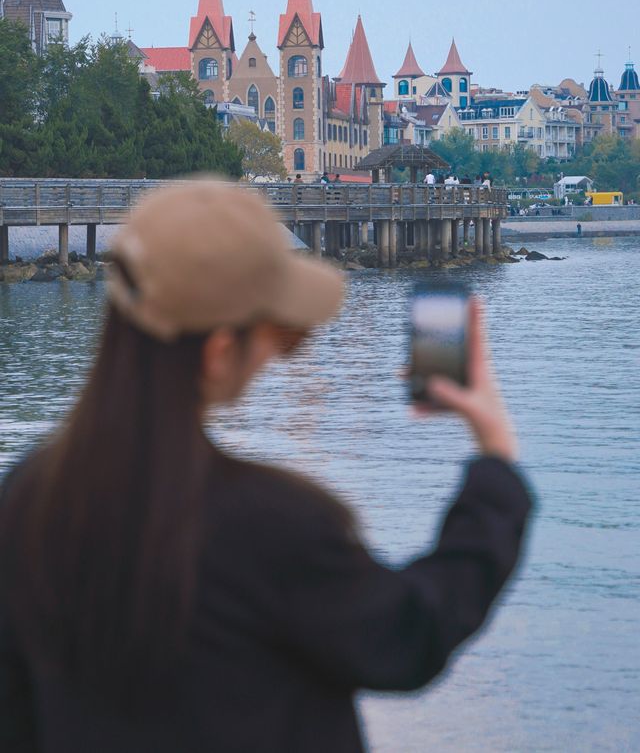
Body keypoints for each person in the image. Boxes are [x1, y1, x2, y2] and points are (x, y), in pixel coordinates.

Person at [0, 181, 532, 753]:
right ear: (220, 352)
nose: (286, 351)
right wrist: (495, 456)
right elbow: (412, 634)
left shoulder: (28, 497)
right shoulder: (273, 525)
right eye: (282, 336)